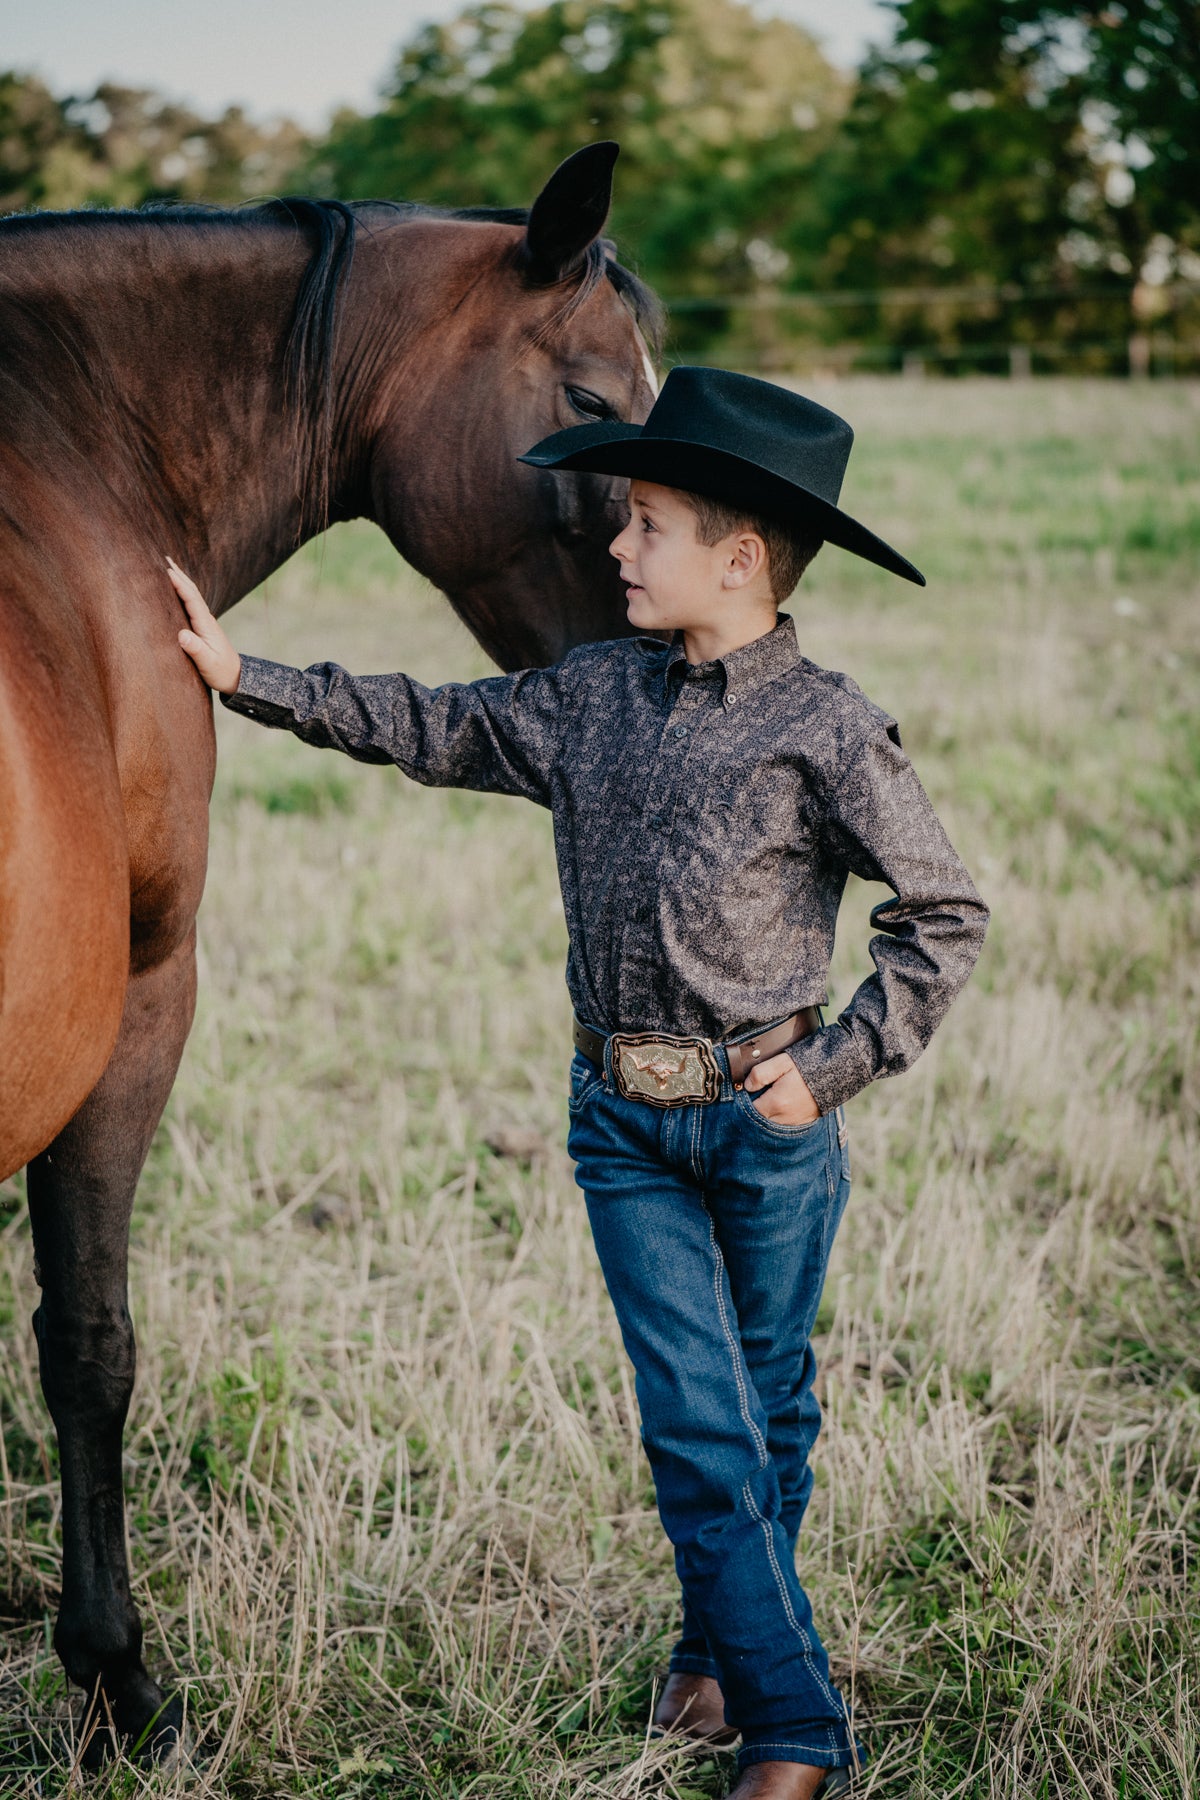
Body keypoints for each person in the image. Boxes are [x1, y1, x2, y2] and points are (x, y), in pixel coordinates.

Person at [173, 365, 988, 1800]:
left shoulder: (827, 728)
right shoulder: (593, 696)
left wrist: (839, 1064)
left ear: (737, 561)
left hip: (767, 1121)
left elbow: (943, 914)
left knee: (769, 1397)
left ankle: (718, 1643)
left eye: (646, 523)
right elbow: (433, 724)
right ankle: (798, 1725)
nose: (614, 547)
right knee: (695, 1417)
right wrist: (253, 680)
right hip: (621, 1125)